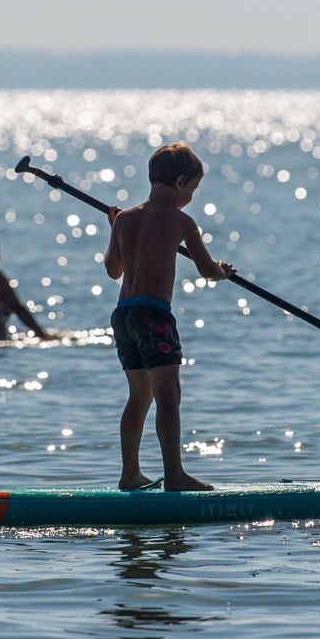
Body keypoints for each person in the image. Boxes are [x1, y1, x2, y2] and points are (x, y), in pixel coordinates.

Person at [104, 142, 234, 491]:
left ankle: (129, 473)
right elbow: (206, 271)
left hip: (124, 314)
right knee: (168, 397)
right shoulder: (182, 221)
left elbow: (113, 270)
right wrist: (223, 271)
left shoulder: (126, 219)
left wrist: (113, 228)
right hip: (154, 315)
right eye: (192, 189)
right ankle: (174, 475)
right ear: (180, 182)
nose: (191, 195)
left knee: (138, 397)